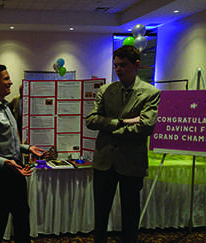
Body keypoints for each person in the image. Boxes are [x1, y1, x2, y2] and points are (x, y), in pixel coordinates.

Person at [85, 45, 161, 243]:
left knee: (130, 214)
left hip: (132, 162)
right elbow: (91, 120)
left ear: (136, 65)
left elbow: (145, 127)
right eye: (116, 65)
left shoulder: (150, 93)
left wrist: (109, 126)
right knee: (100, 213)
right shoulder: (106, 90)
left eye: (123, 65)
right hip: (104, 160)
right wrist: (122, 122)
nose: (118, 70)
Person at [0, 64, 44, 243]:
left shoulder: (5, 107)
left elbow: (8, 143)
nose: (11, 82)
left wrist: (27, 148)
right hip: (1, 174)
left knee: (22, 218)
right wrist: (5, 162)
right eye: (6, 78)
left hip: (16, 169)